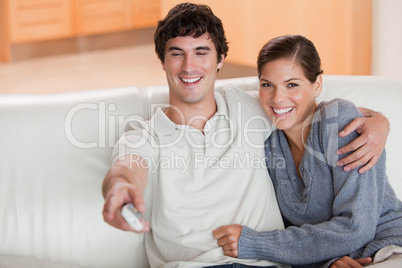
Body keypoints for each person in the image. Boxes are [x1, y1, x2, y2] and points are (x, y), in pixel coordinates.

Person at [102, 3, 389, 268]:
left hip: (261, 263)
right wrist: (119, 188)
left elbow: (305, 107)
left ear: (220, 59)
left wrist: (378, 120)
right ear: (162, 61)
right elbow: (127, 167)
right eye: (177, 53)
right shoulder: (144, 134)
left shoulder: (250, 107)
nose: (189, 66)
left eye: (201, 52)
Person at [213, 35, 402, 268]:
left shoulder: (338, 120)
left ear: (317, 85)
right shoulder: (268, 140)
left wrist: (257, 243)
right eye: (267, 84)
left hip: (388, 247)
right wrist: (330, 261)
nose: (278, 98)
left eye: (292, 84)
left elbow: (356, 227)